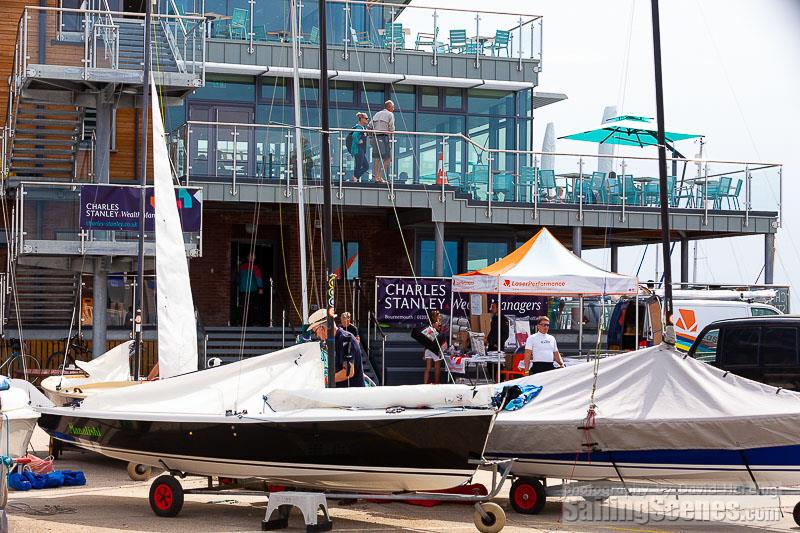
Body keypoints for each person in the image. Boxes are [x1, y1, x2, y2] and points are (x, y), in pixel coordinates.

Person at [308, 308, 364, 388]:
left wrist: (324, 380)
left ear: (322, 328)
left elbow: (348, 372)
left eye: (315, 331)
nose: (316, 335)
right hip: (342, 395)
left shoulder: (346, 339)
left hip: (350, 397)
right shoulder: (334, 341)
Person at [368, 100, 395, 183]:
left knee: (376, 159)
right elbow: (392, 128)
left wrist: (370, 137)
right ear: (389, 107)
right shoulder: (390, 114)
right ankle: (379, 177)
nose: (393, 109)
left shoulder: (377, 114)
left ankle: (376, 178)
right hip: (383, 137)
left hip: (374, 138)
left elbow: (369, 127)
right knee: (388, 158)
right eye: (393, 107)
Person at [236, 253, 263, 325]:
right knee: (254, 307)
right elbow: (258, 278)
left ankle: (241, 322)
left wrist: (238, 284)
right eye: (252, 257)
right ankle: (254, 322)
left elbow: (238, 279)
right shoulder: (255, 267)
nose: (252, 258)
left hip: (242, 290)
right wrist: (260, 287)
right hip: (252, 290)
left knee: (243, 306)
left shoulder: (241, 267)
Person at [421, 310, 446, 385]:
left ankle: (425, 383)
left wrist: (424, 352)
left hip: (428, 348)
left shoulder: (428, 325)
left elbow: (426, 339)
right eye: (438, 315)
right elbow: (440, 335)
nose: (440, 316)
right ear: (435, 316)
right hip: (435, 347)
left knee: (428, 367)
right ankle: (436, 383)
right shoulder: (437, 324)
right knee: (437, 367)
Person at [350, 112, 369, 182]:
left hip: (360, 149)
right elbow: (354, 135)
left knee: (364, 166)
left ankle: (355, 177)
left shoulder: (362, 128)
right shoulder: (359, 128)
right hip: (358, 149)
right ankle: (355, 177)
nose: (367, 120)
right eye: (366, 118)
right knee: (360, 165)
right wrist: (358, 141)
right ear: (361, 119)